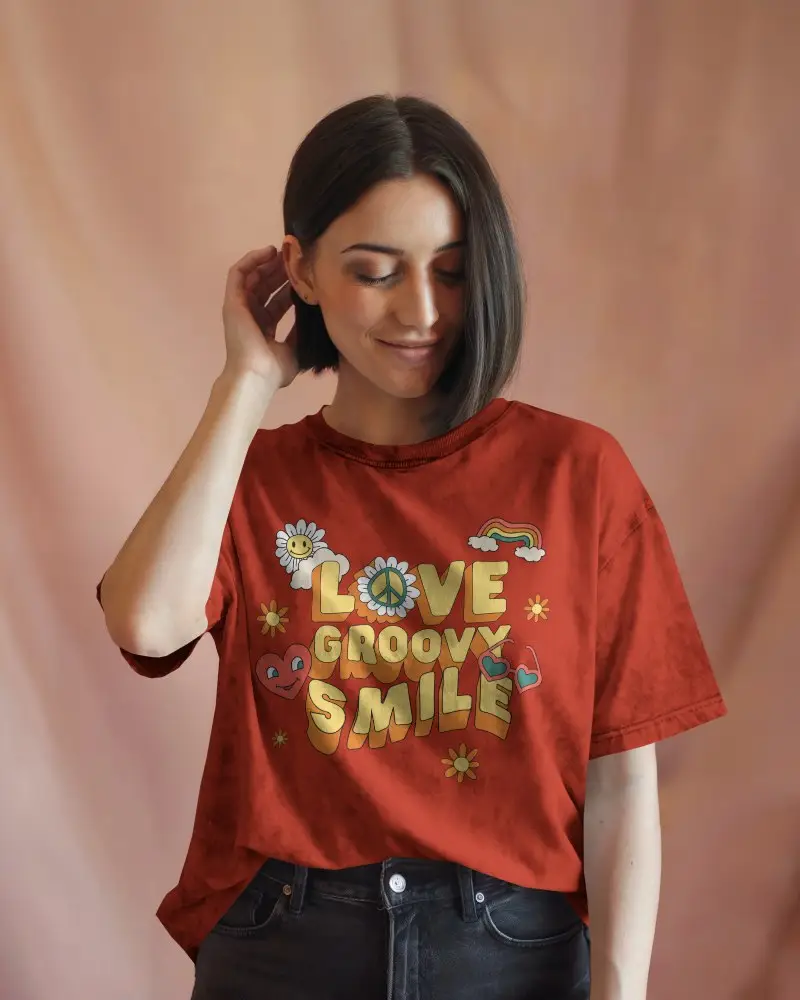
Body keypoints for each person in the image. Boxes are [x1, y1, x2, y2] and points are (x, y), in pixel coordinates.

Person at [97, 95, 726, 1000]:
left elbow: (622, 779)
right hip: (284, 942)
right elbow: (147, 624)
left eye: (453, 270)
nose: (422, 310)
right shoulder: (255, 477)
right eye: (375, 271)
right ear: (300, 271)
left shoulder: (577, 474)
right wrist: (245, 379)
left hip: (516, 951)